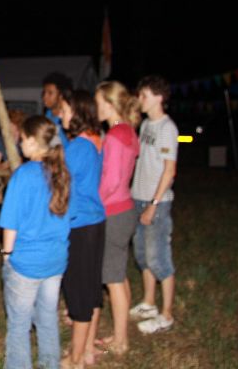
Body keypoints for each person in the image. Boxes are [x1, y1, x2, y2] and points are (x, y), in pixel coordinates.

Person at [0, 115, 71, 369]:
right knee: (47, 318)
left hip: (26, 263)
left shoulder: (23, 175)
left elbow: (10, 223)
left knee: (19, 324)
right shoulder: (62, 173)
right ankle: (51, 364)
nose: (19, 143)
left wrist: (7, 255)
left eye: (22, 139)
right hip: (55, 261)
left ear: (31, 141)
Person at [58, 89, 106, 369]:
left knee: (78, 293)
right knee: (90, 289)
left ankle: (75, 359)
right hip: (95, 222)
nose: (60, 115)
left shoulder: (77, 147)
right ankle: (85, 350)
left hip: (79, 224)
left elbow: (61, 183)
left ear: (76, 112)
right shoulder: (94, 139)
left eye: (65, 110)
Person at [128, 75, 179, 335]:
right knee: (142, 257)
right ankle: (149, 303)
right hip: (138, 199)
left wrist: (153, 204)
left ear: (159, 97)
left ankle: (167, 315)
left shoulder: (167, 128)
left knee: (158, 259)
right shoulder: (146, 124)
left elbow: (169, 171)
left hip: (156, 203)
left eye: (144, 95)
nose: (140, 99)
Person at [94, 80, 141, 355]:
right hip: (125, 209)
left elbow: (110, 182)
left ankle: (121, 342)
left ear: (110, 104)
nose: (96, 107)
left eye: (99, 102)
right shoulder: (128, 131)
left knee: (112, 279)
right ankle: (120, 334)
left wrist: (94, 206)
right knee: (119, 275)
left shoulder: (114, 135)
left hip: (113, 212)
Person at [42, 71, 72, 144]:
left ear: (61, 95)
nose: (44, 97)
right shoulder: (47, 115)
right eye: (44, 92)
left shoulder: (68, 119)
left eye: (50, 93)